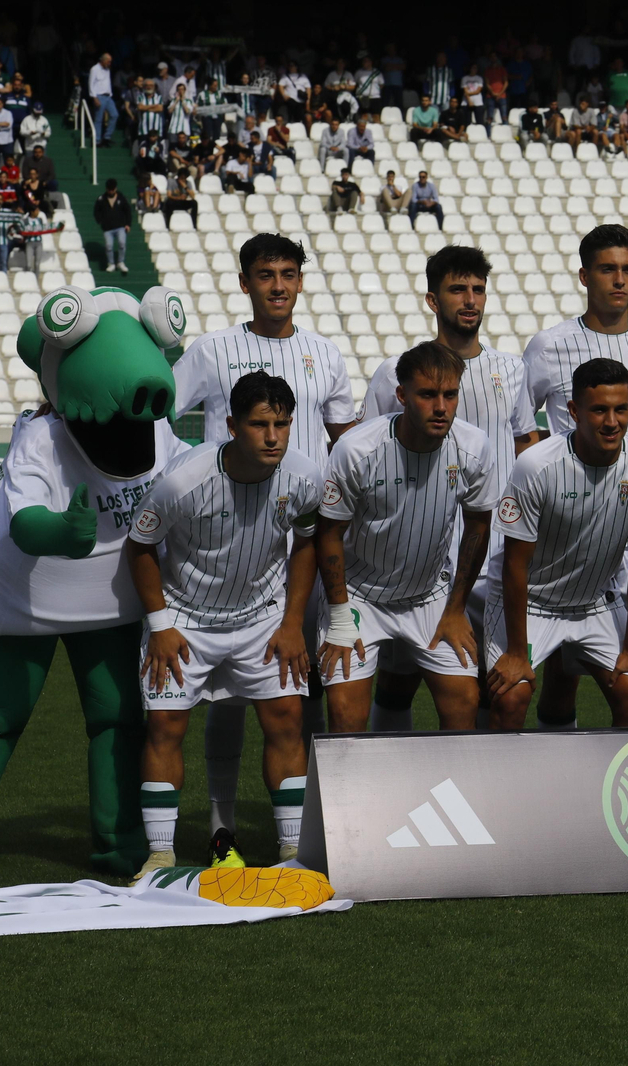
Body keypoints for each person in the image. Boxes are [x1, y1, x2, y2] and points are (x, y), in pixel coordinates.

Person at [170, 233, 357, 843]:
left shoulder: (326, 355)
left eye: (288, 274)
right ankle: (222, 826)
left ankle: (306, 827)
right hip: (228, 547)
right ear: (245, 282)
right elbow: (156, 414)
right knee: (226, 698)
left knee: (296, 691)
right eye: (265, 274)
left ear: (301, 282)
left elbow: (343, 443)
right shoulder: (212, 350)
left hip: (300, 543)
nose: (277, 285)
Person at [127, 371, 323, 879]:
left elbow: (306, 543)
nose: (274, 436)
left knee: (285, 722)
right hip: (184, 620)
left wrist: (292, 622)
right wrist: (161, 623)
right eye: (261, 425)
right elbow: (140, 547)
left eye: (282, 423)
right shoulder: (181, 480)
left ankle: (291, 850)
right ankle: (161, 854)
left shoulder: (303, 477)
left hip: (262, 619)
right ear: (233, 425)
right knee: (165, 726)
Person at [359, 245, 540, 730]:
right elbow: (368, 453)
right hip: (418, 560)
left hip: (495, 554)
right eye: (457, 289)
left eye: (478, 289)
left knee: (493, 684)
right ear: (432, 301)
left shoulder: (511, 370)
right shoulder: (394, 373)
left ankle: (481, 793)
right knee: (397, 681)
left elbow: (526, 443)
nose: (471, 300)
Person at [525, 225, 628, 726]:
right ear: (584, 275)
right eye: (608, 269)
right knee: (561, 673)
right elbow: (523, 426)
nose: (620, 280)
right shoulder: (548, 345)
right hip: (572, 530)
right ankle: (558, 768)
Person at [316, 341, 498, 733]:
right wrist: (339, 616)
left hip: (430, 596)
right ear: (401, 395)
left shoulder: (474, 448)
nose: (441, 407)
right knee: (346, 715)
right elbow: (329, 533)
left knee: (465, 701)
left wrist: (455, 608)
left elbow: (479, 526)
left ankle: (449, 794)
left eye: (450, 395)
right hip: (359, 595)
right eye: (428, 395)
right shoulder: (356, 450)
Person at [486, 358, 628, 730]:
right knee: (512, 695)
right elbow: (514, 565)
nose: (611, 421)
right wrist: (514, 652)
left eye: (621, 409)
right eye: (599, 410)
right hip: (530, 604)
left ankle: (626, 787)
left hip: (594, 602)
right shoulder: (536, 465)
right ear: (573, 411)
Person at [93, 178, 131, 274]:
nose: (111, 191)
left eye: (112, 189)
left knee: (122, 243)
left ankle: (120, 262)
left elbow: (128, 211)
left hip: (120, 226)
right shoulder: (101, 199)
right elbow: (96, 211)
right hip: (107, 229)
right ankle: (111, 264)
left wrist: (128, 224)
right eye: (109, 189)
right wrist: (100, 221)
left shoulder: (121, 198)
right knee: (109, 246)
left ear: (115, 189)